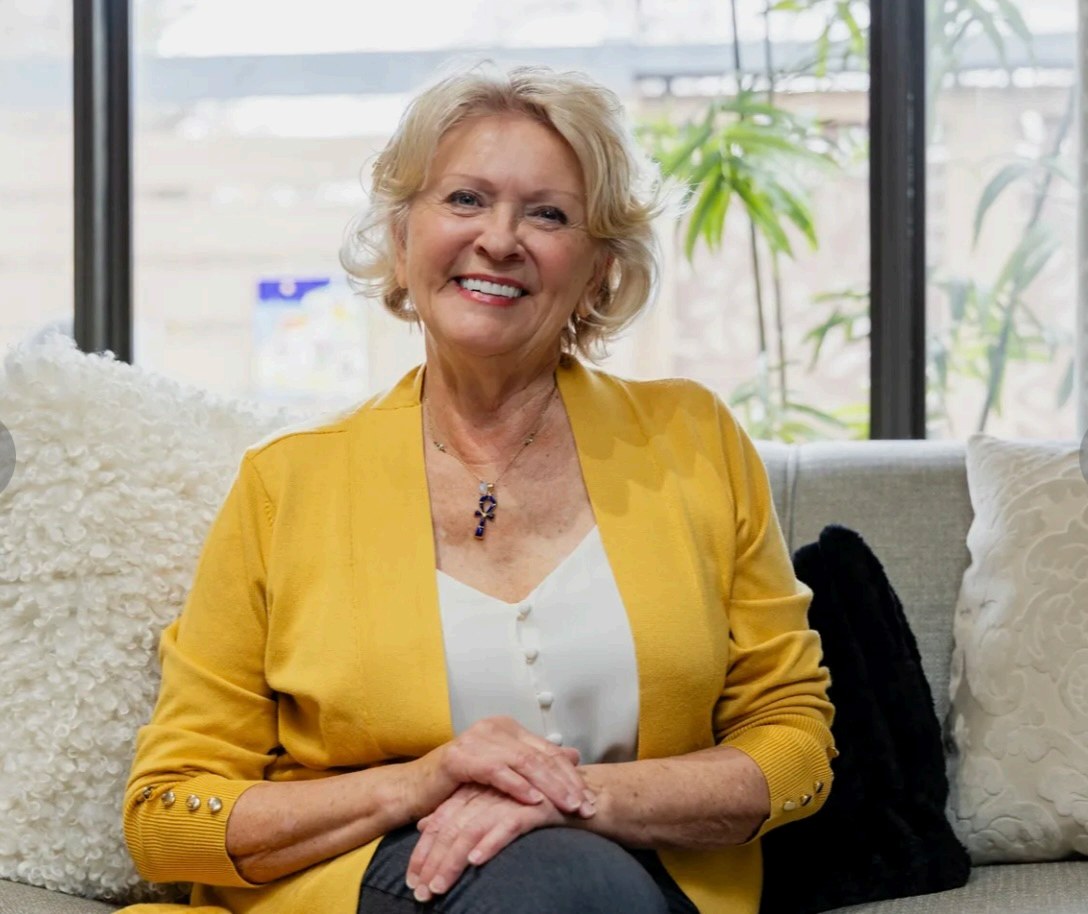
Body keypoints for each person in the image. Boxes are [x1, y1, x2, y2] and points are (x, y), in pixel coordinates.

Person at [121, 63, 836, 914]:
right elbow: (167, 813)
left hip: (640, 883)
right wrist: (420, 785)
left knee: (568, 881)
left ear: (599, 270)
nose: (500, 239)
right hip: (372, 885)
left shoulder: (693, 439)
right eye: (465, 199)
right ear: (400, 240)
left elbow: (794, 743)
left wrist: (573, 800)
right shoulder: (285, 484)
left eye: (548, 214)